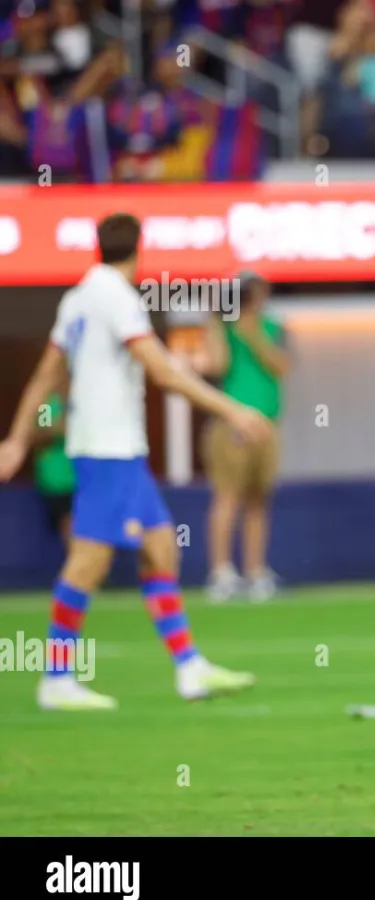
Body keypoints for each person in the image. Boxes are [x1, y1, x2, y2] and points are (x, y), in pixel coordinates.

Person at [0, 213, 267, 711]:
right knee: (89, 561)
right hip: (110, 449)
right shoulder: (118, 299)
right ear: (138, 249)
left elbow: (44, 375)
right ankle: (56, 677)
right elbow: (163, 372)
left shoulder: (77, 298)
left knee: (161, 548)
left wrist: (16, 438)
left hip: (112, 450)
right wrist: (232, 408)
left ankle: (189, 667)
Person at [197, 271, 289, 602]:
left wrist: (253, 335)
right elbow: (217, 365)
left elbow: (280, 366)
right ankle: (221, 572)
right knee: (228, 496)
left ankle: (255, 572)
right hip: (231, 423)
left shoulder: (273, 326)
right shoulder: (221, 325)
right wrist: (218, 324)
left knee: (258, 498)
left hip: (267, 423)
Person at [34, 386, 75, 548]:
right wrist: (66, 427)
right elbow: (41, 434)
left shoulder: (84, 397)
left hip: (85, 474)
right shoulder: (46, 402)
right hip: (58, 478)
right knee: (68, 522)